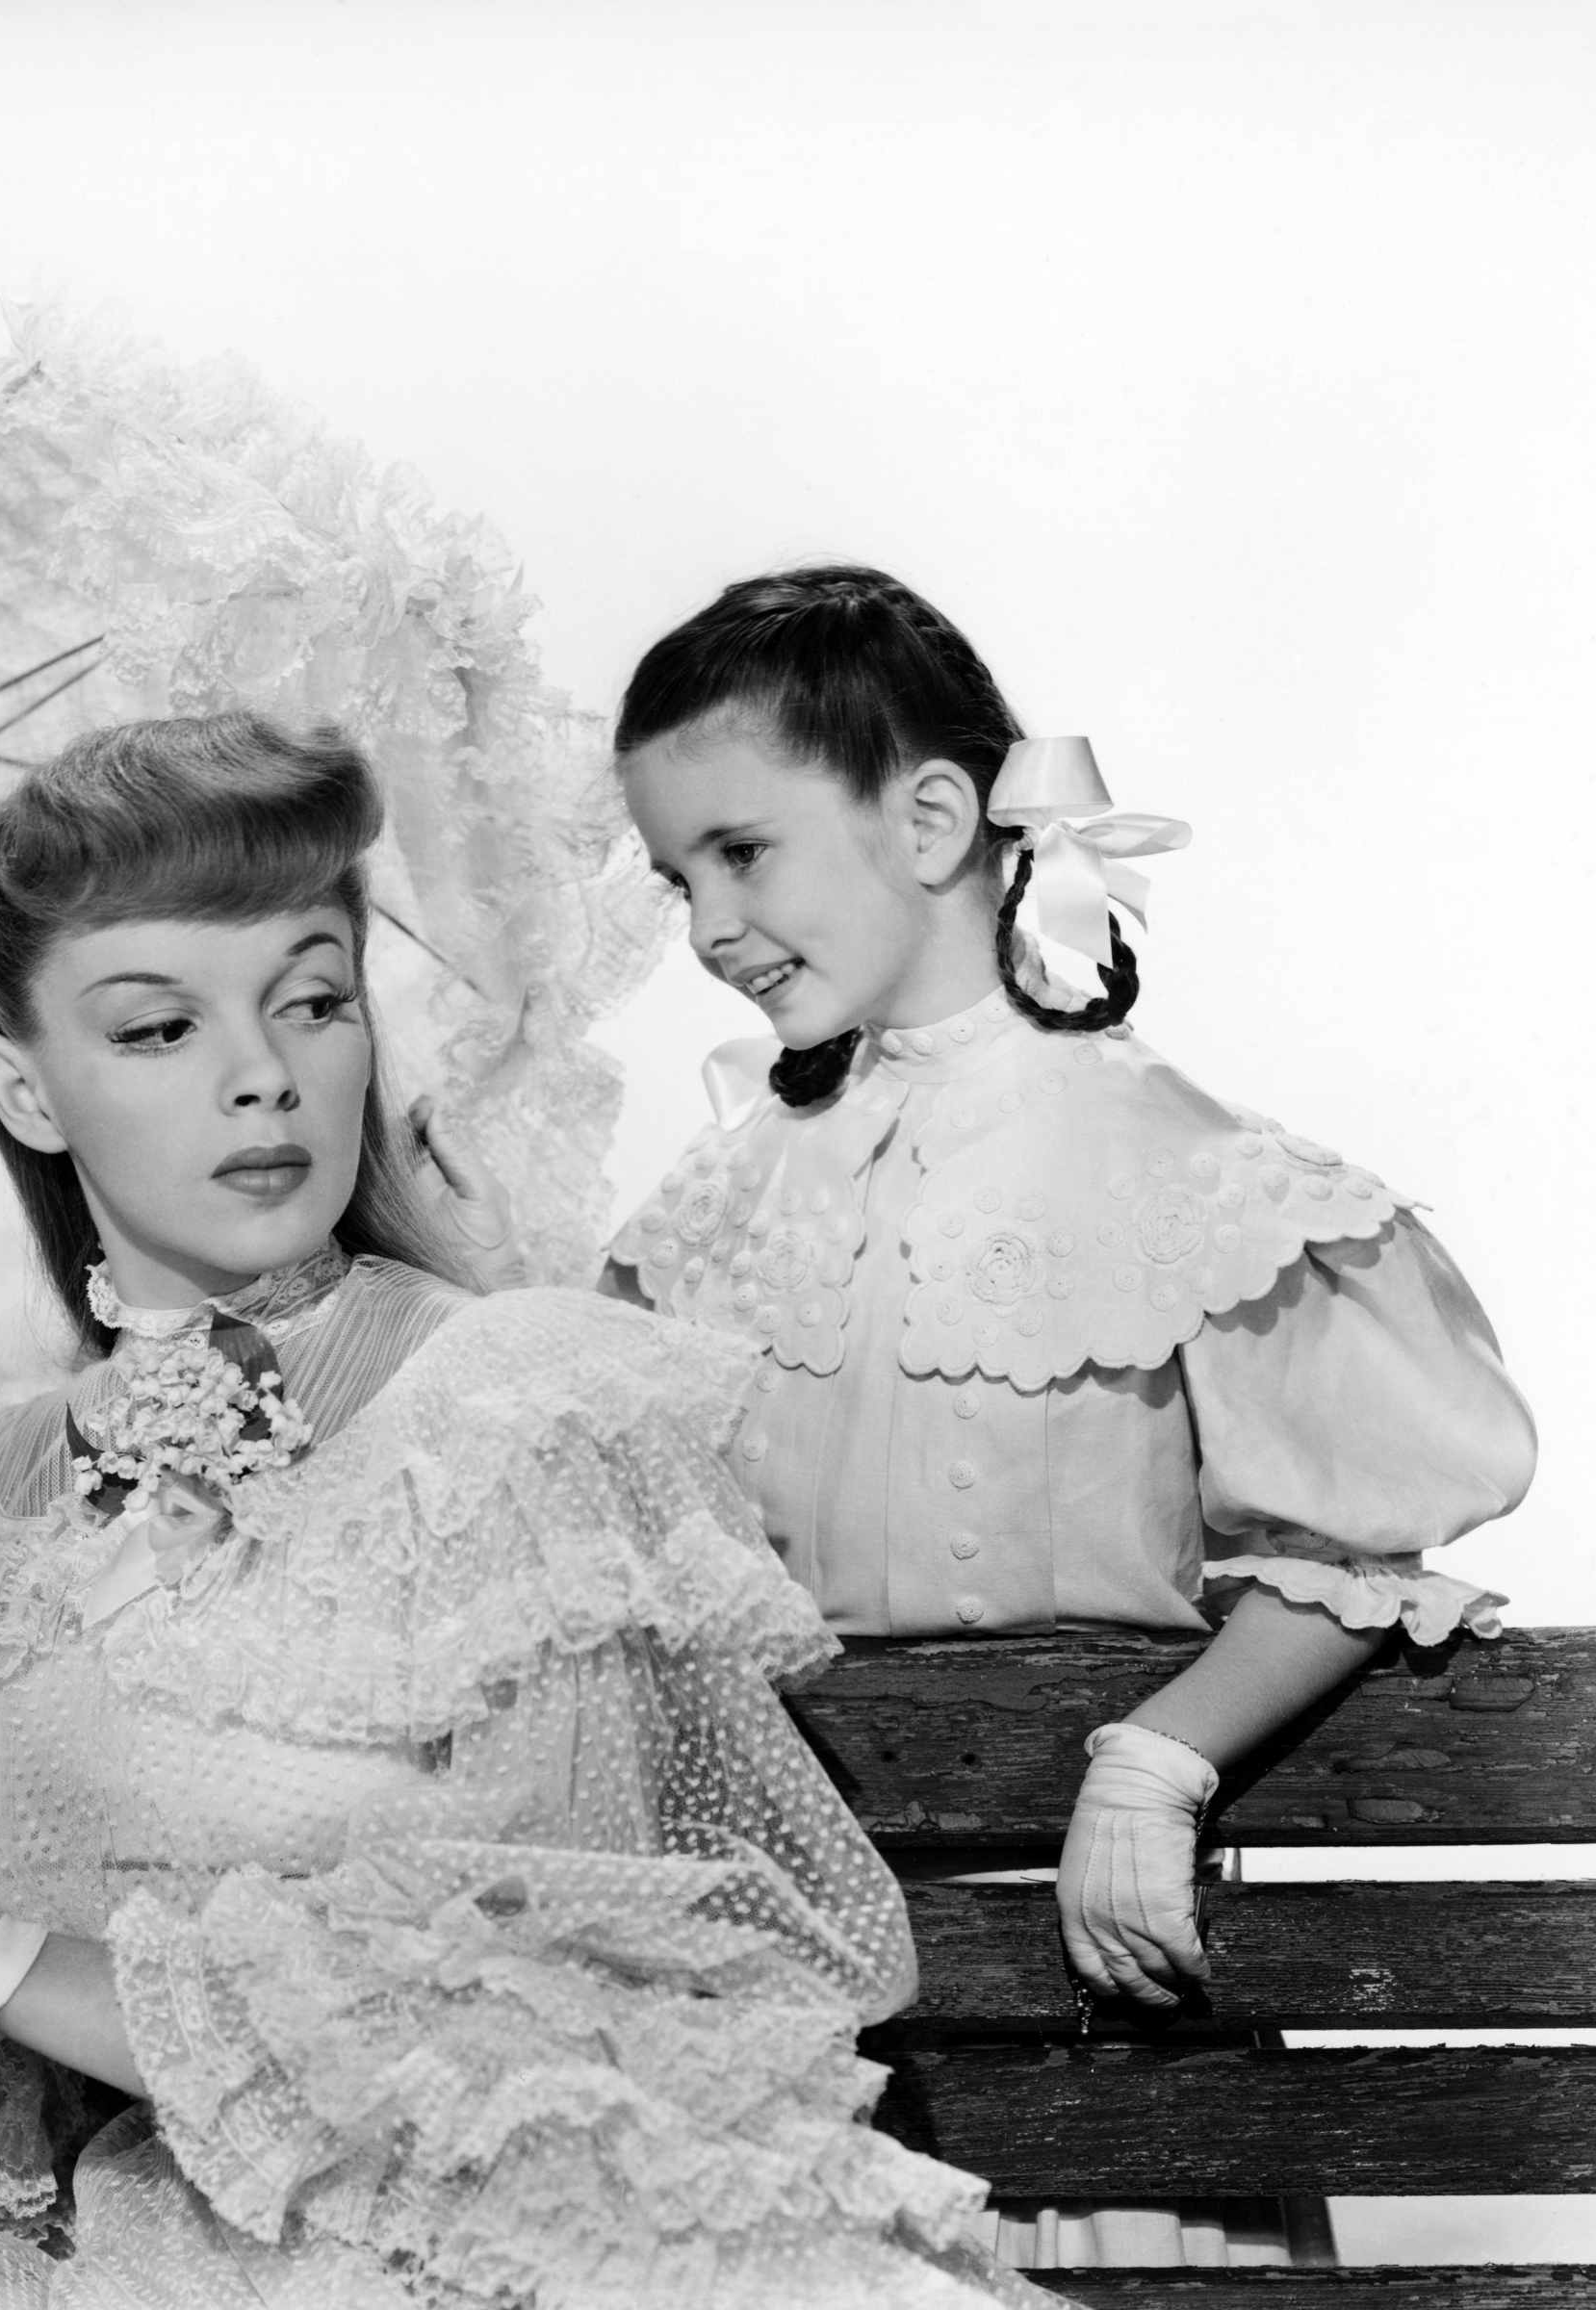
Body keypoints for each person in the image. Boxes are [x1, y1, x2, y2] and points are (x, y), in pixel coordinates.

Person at [0, 711, 1038, 2310]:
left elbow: (569, 2042)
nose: (264, 1079)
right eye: (158, 1030)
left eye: (312, 1002)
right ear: (23, 1090)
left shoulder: (511, 1413)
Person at [599, 566, 1536, 2269]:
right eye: (679, 879)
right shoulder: (711, 1214)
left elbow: (1353, 1531)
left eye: (742, 852)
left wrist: (1157, 1762)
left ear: (936, 816)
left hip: (1099, 2014)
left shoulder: (1182, 1170)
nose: (708, 926)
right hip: (797, 2011)